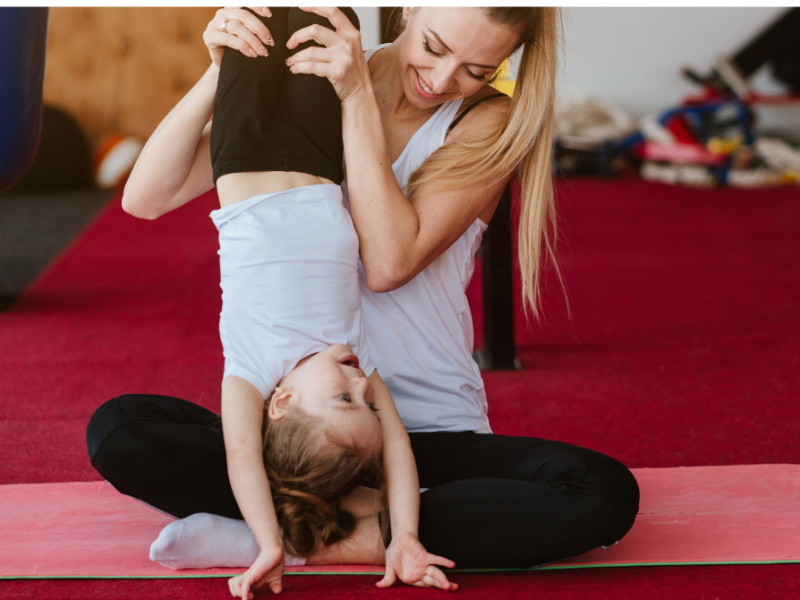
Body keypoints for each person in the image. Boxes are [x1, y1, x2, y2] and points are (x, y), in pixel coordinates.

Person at [86, 4, 639, 589]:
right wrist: (218, 72)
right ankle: (350, 525)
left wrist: (355, 101)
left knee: (600, 491)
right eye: (433, 45)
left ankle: (317, 538)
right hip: (312, 437)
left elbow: (388, 261)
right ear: (407, 9)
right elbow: (145, 198)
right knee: (121, 430)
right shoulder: (316, 75)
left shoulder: (490, 122)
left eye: (477, 70)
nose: (444, 78)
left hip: (429, 437)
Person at [87, 7, 456, 598]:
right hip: (317, 156)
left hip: (244, 149)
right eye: (368, 400)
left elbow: (241, 456)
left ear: (281, 403)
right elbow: (399, 453)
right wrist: (403, 535)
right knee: (326, 15)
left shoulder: (253, 373)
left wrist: (266, 543)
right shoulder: (352, 356)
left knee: (257, 15)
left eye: (344, 397)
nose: (361, 383)